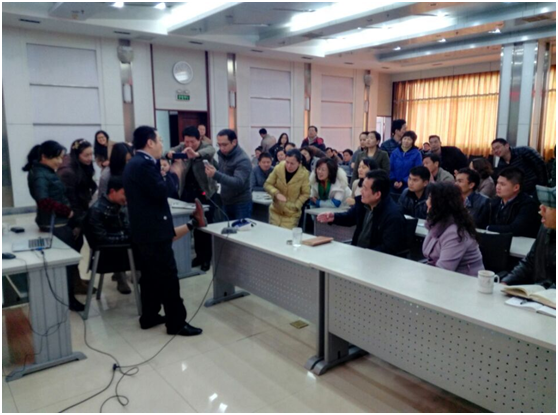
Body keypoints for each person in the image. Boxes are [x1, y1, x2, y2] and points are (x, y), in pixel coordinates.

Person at [123, 125, 204, 336]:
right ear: (149, 142)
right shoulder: (143, 165)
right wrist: (175, 170)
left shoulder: (137, 163)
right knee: (168, 277)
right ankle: (176, 323)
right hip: (153, 231)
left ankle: (149, 316)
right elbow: (163, 191)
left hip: (145, 230)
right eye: (159, 140)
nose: (162, 144)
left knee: (150, 276)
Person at [24, 141, 85, 311]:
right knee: (64, 265)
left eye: (61, 158)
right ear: (44, 157)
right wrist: (66, 211)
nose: (59, 162)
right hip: (56, 225)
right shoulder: (40, 175)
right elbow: (43, 200)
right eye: (56, 158)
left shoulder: (44, 171)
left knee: (66, 264)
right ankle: (68, 299)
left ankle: (69, 295)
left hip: (57, 222)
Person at [317, 170, 407, 255]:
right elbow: (350, 217)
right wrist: (334, 217)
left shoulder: (393, 215)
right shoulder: (363, 204)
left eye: (365, 189)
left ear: (377, 194)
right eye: (362, 187)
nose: (361, 191)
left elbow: (388, 249)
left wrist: (364, 254)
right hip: (358, 254)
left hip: (376, 260)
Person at [167, 126, 218, 271]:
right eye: (186, 141)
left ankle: (206, 258)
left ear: (199, 139)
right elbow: (168, 152)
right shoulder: (182, 146)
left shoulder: (205, 147)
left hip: (205, 193)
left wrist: (195, 154)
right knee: (192, 225)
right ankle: (198, 256)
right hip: (187, 193)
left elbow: (211, 150)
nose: (189, 145)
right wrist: (170, 154)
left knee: (205, 226)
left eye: (192, 142)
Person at [57, 139, 97, 294]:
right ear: (77, 154)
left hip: (80, 212)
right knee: (73, 249)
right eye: (86, 155)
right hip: (71, 218)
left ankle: (77, 280)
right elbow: (71, 201)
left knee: (77, 248)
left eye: (91, 154)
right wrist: (78, 224)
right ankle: (74, 285)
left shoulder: (80, 167)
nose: (90, 158)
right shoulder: (68, 172)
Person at [422, 182, 484, 276]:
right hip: (440, 276)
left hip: (464, 281)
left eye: (430, 198)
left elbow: (444, 270)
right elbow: (428, 256)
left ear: (441, 204)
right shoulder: (436, 224)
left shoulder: (456, 233)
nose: (427, 202)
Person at [84, 176, 133, 294]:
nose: (127, 198)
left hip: (119, 248)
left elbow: (127, 227)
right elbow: (101, 239)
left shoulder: (119, 206)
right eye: (124, 194)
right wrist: (128, 238)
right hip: (108, 255)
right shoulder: (96, 210)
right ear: (112, 191)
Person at [501, 186, 556, 288]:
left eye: (548, 206)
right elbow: (529, 261)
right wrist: (506, 281)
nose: (541, 210)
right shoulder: (544, 229)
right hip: (538, 291)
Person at [205, 129, 253, 219]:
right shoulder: (222, 155)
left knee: (241, 227)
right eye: (219, 145)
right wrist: (213, 170)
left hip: (241, 203)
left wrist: (216, 174)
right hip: (226, 200)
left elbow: (238, 182)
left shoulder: (243, 159)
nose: (221, 148)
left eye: (224, 145)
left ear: (234, 142)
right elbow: (224, 173)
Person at [487, 167, 540, 238]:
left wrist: (488, 227)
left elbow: (515, 229)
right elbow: (481, 221)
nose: (497, 187)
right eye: (497, 183)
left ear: (516, 187)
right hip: (497, 239)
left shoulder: (528, 204)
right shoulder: (494, 201)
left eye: (502, 184)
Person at [264, 149, 310, 229]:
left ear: (299, 163)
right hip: (275, 210)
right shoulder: (278, 168)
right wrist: (276, 193)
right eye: (287, 162)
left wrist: (297, 205)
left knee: (286, 235)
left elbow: (306, 193)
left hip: (291, 214)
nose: (288, 166)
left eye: (292, 163)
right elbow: (267, 184)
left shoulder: (304, 174)